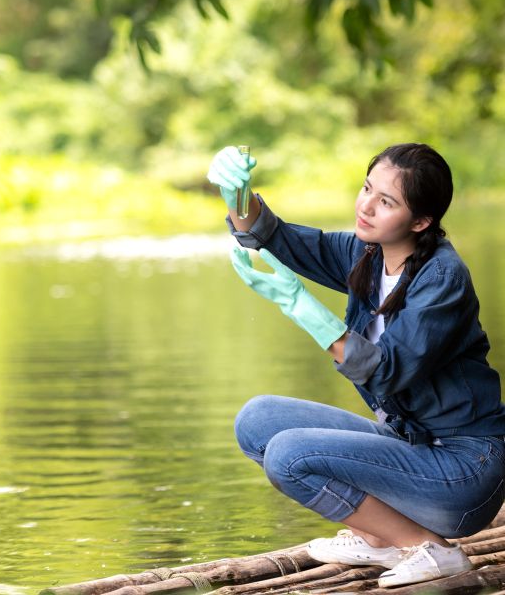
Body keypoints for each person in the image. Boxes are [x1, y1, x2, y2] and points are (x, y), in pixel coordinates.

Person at [206, 143, 505, 588]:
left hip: (463, 470)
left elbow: (387, 371)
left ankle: (434, 550)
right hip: (410, 443)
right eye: (367, 188)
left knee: (290, 455)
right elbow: (276, 238)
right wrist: (238, 194)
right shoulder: (367, 253)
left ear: (421, 222)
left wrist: (300, 306)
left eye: (386, 202)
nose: (366, 206)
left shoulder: (442, 279)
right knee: (258, 420)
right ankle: (377, 537)